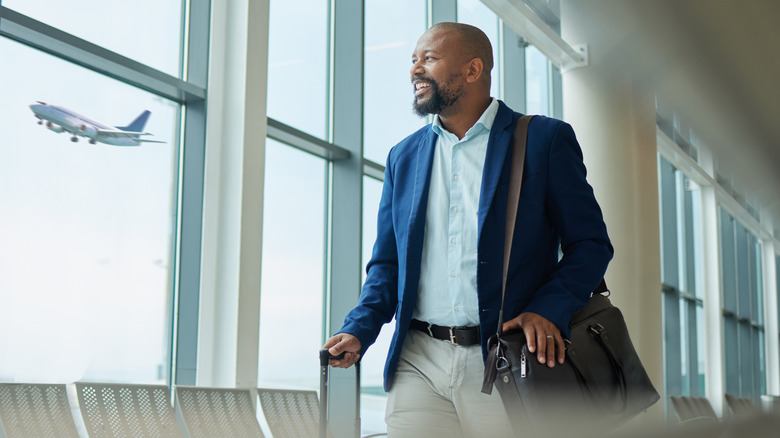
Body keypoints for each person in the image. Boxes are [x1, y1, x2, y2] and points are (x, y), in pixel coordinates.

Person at [323, 22, 613, 437]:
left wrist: (549, 307)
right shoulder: (403, 157)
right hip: (418, 360)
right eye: (413, 60)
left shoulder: (543, 141)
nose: (415, 70)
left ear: (473, 69)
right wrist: (359, 327)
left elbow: (590, 244)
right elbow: (388, 264)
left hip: (503, 360)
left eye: (430, 59)